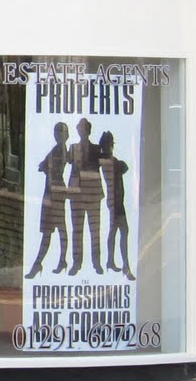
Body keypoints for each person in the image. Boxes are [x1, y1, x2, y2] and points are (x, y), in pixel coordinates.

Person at [25, 121, 71, 279]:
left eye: (61, 132)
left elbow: (50, 168)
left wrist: (46, 167)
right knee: (49, 230)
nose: (58, 135)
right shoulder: (56, 149)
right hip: (49, 191)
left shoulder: (62, 150)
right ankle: (42, 263)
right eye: (56, 132)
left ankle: (56, 261)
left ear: (66, 135)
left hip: (56, 191)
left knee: (58, 229)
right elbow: (43, 165)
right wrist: (45, 167)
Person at [67, 117, 104, 275]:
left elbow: (105, 162)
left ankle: (97, 262)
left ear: (88, 131)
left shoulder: (97, 149)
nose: (82, 131)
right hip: (76, 193)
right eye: (80, 128)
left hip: (93, 193)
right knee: (77, 229)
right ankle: (76, 263)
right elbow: (65, 161)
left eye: (85, 129)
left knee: (94, 229)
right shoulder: (73, 148)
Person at [100, 131, 132, 280]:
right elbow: (123, 167)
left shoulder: (111, 161)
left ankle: (110, 261)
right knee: (123, 230)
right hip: (115, 201)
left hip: (116, 200)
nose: (110, 147)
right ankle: (125, 266)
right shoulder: (109, 162)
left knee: (114, 230)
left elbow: (124, 167)